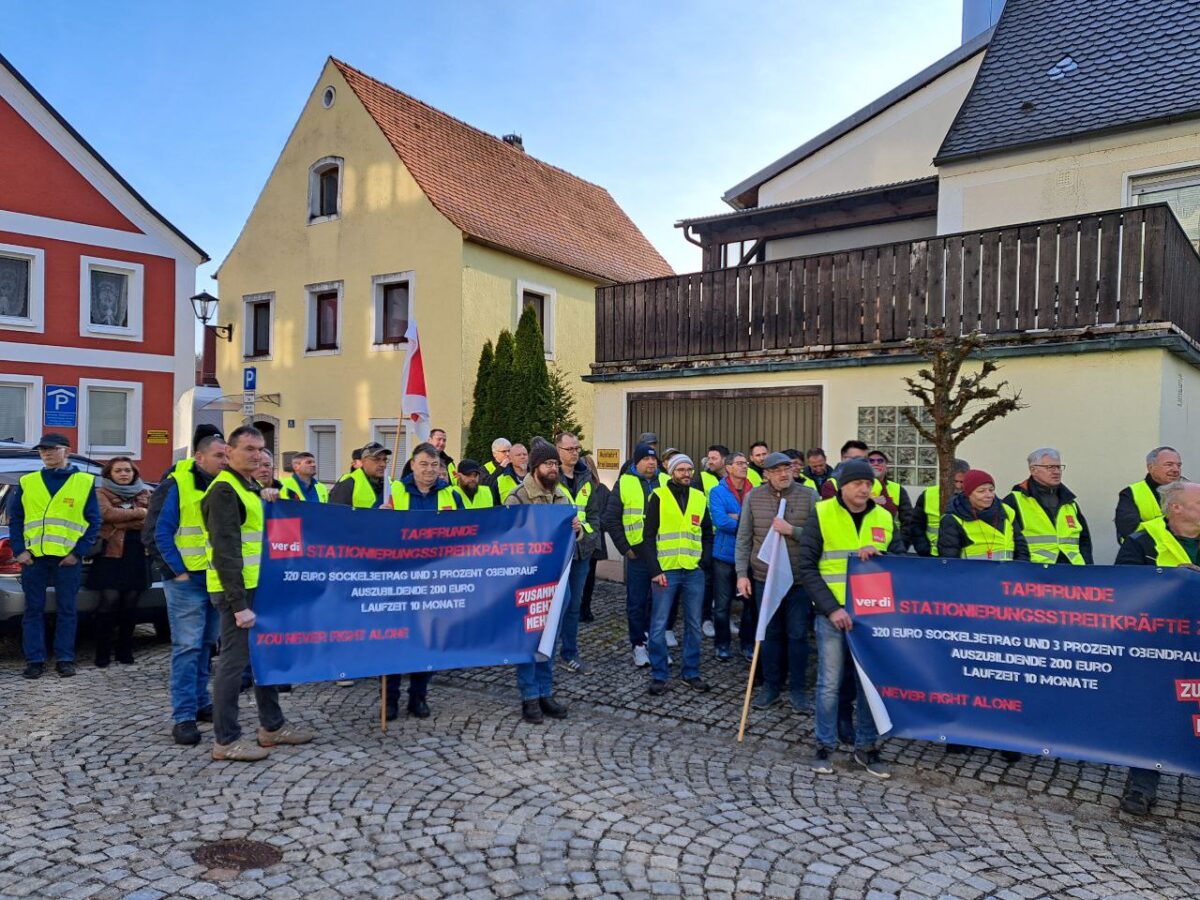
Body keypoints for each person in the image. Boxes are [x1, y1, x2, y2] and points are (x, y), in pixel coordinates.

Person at [204, 425, 314, 761]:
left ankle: (272, 726)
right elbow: (225, 552)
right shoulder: (224, 491)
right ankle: (226, 740)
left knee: (265, 656)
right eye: (248, 449)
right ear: (229, 452)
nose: (256, 455)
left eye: (261, 448)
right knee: (233, 664)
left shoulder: (248, 487)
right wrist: (239, 605)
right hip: (238, 593)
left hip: (258, 587)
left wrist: (269, 500)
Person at [796, 458, 905, 778]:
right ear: (843, 486)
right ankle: (824, 746)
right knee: (829, 684)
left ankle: (867, 747)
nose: (864, 489)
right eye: (858, 483)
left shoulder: (884, 516)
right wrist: (832, 608)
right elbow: (807, 567)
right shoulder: (822, 512)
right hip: (833, 613)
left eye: (869, 483)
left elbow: (901, 562)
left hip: (872, 614)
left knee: (869, 685)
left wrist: (884, 556)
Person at [1114, 480, 1200, 815]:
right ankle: (1142, 785)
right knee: (1153, 712)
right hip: (1160, 646)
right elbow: (1124, 588)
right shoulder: (1143, 540)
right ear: (1177, 508)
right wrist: (1170, 579)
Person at [145, 429, 228, 746]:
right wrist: (177, 571)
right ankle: (183, 717)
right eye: (218, 455)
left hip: (215, 579)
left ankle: (201, 702)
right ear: (199, 457)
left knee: (207, 645)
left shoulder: (226, 484)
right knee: (187, 647)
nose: (224, 460)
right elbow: (156, 533)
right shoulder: (176, 484)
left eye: (226, 455)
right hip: (187, 581)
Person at [8, 433, 100, 679]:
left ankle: (65, 659)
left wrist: (78, 552)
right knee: (33, 611)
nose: (46, 453)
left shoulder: (84, 482)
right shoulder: (28, 481)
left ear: (67, 451)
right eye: (42, 450)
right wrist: (19, 550)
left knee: (67, 610)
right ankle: (34, 660)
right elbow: (16, 519)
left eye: (52, 449)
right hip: (34, 558)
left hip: (66, 559)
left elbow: (93, 522)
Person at [382, 442, 464, 717]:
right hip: (399, 579)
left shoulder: (451, 494)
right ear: (413, 465)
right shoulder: (394, 491)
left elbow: (469, 531)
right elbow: (373, 531)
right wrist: (379, 516)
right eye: (423, 464)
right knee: (393, 640)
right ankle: (389, 699)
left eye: (434, 465)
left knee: (426, 641)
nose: (429, 469)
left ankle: (418, 696)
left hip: (435, 581)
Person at [735, 452, 820, 711]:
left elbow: (820, 535)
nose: (784, 474)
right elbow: (744, 538)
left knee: (797, 635)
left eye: (787, 468)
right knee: (769, 633)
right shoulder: (753, 497)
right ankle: (771, 686)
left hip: (799, 580)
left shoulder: (809, 496)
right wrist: (741, 574)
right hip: (764, 578)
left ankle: (798, 689)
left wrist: (792, 531)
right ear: (766, 474)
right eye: (777, 470)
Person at [504, 438, 576, 722]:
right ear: (535, 467)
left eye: (555, 463)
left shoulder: (561, 496)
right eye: (548, 463)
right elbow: (507, 539)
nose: (553, 468)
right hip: (528, 583)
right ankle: (529, 695)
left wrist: (576, 529)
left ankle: (545, 691)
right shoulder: (517, 497)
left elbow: (572, 536)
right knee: (529, 639)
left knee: (550, 638)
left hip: (557, 581)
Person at [640, 454, 712, 695]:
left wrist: (704, 561)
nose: (686, 474)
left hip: (693, 570)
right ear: (671, 472)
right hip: (666, 570)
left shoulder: (699, 497)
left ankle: (691, 673)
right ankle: (659, 675)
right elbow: (648, 537)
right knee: (658, 625)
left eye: (689, 469)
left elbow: (707, 533)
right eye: (681, 469)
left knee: (694, 625)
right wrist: (655, 570)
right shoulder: (659, 496)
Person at [602, 442, 666, 667]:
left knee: (659, 603)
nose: (651, 462)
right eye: (646, 459)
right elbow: (610, 519)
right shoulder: (624, 482)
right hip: (637, 554)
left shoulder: (666, 481)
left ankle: (656, 644)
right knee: (637, 602)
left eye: (653, 459)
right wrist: (625, 548)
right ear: (636, 462)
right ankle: (638, 645)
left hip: (662, 553)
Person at [89, 456, 152, 667]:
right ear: (109, 474)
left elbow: (150, 519)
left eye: (127, 470)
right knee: (109, 603)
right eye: (118, 470)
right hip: (110, 555)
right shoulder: (100, 493)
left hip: (137, 553)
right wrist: (138, 513)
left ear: (134, 473)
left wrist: (123, 520)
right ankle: (102, 652)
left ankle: (125, 650)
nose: (124, 474)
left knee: (130, 605)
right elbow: (106, 514)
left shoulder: (145, 493)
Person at [554, 432, 601, 674]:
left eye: (577, 448)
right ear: (558, 450)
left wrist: (588, 538)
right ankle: (545, 651)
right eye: (569, 449)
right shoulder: (551, 477)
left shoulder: (586, 478)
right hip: (556, 553)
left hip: (581, 552)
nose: (575, 453)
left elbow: (593, 515)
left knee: (574, 605)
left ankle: (569, 653)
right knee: (555, 605)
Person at [1004, 448, 1093, 565]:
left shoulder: (1069, 501)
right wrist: (1020, 569)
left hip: (1073, 570)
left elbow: (1084, 540)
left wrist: (1087, 566)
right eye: (1050, 467)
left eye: (1058, 467)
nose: (1056, 472)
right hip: (1036, 570)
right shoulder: (1015, 500)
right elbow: (1010, 541)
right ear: (1033, 470)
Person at [709, 452, 754, 661]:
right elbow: (721, 521)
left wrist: (736, 518)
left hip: (750, 556)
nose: (744, 466)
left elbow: (761, 519)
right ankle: (722, 644)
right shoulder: (717, 492)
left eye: (745, 463)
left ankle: (747, 644)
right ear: (728, 467)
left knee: (750, 605)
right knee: (722, 604)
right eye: (739, 463)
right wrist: (747, 524)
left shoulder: (754, 490)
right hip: (724, 556)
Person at [938, 470, 1030, 562]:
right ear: (968, 494)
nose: (989, 495)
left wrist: (1019, 569)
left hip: (1008, 571)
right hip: (971, 571)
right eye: (981, 491)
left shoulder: (1007, 511)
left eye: (991, 490)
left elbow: (1021, 549)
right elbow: (950, 560)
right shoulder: (952, 519)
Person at [1115, 446, 1183, 544]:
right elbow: (1129, 529)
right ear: (1151, 467)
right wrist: (1170, 524)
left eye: (1179, 465)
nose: (1176, 469)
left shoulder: (1190, 490)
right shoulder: (1131, 493)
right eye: (1169, 465)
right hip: (1148, 551)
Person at [910, 459, 970, 556]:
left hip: (964, 555)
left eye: (962, 482)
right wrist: (923, 548)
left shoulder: (975, 497)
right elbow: (915, 525)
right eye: (955, 481)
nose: (958, 486)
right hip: (932, 554)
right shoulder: (928, 495)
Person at [579, 452, 608, 624]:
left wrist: (595, 527)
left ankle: (586, 607)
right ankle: (578, 608)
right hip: (578, 540)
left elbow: (608, 514)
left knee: (589, 577)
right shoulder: (577, 488)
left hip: (594, 540)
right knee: (579, 577)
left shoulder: (602, 489)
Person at [328, 442, 397, 508]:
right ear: (363, 461)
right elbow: (336, 514)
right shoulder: (348, 484)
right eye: (376, 459)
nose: (383, 464)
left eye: (384, 460)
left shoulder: (390, 484)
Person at [867, 450, 912, 543]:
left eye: (880, 461)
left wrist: (901, 542)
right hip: (864, 543)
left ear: (886, 467)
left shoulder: (897, 489)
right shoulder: (857, 488)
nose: (876, 463)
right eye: (871, 461)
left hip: (891, 543)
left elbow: (908, 521)